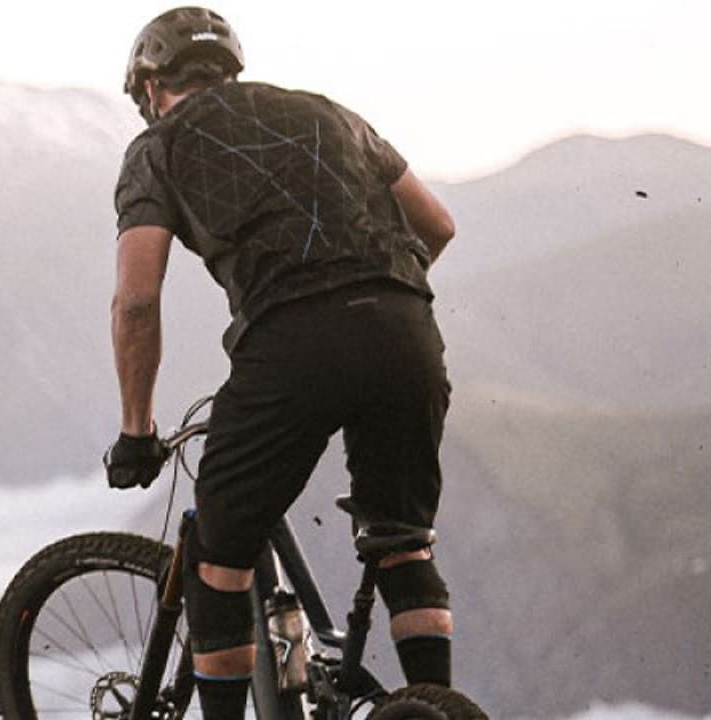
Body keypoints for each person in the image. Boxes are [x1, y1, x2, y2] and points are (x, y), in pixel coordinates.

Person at [103, 7, 458, 718]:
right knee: (404, 547)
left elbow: (136, 303)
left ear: (149, 87)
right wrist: (378, 298)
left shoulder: (159, 148)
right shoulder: (330, 114)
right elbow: (438, 226)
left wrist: (137, 430)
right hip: (407, 329)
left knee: (219, 554)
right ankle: (440, 709)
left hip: (294, 344)